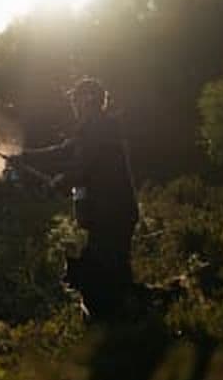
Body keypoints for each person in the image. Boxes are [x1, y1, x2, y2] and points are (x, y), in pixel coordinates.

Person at [10, 77, 139, 321]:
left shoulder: (99, 127)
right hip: (108, 213)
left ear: (88, 100)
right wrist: (25, 157)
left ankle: (122, 325)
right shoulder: (92, 128)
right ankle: (124, 322)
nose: (73, 103)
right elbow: (64, 151)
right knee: (110, 271)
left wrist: (59, 181)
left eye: (75, 98)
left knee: (109, 272)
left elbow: (83, 168)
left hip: (113, 213)